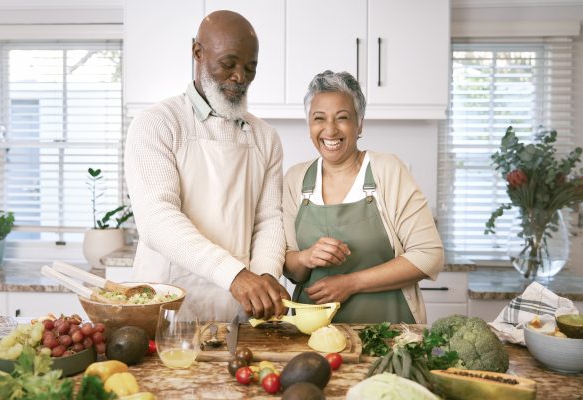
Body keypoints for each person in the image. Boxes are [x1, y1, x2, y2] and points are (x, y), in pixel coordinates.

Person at [124, 10, 290, 322]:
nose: (239, 77)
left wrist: (266, 274)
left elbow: (268, 220)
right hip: (167, 308)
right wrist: (235, 275)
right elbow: (157, 220)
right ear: (198, 52)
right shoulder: (157, 123)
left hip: (238, 311)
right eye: (228, 64)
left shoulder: (266, 137)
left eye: (250, 68)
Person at [282, 70, 444, 324]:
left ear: (360, 124)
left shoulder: (387, 170)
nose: (330, 129)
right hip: (312, 335)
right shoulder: (295, 179)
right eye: (319, 118)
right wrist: (306, 257)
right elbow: (291, 266)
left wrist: (351, 283)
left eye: (342, 117)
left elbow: (429, 255)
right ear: (309, 125)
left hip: (389, 333)